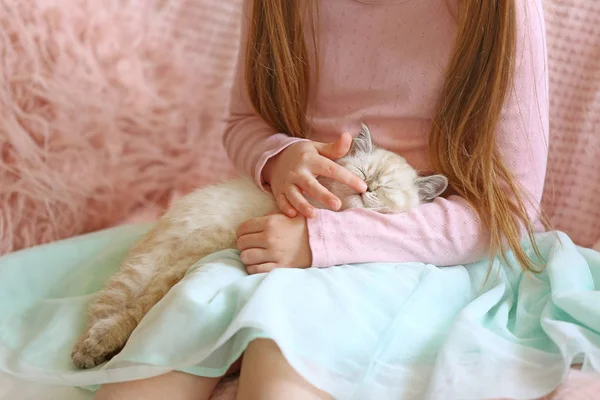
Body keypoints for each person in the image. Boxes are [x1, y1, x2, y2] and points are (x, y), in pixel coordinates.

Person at [95, 0, 548, 398]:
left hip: (420, 250)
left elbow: (509, 209)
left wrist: (322, 241)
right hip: (284, 226)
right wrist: (280, 157)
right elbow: (243, 121)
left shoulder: (502, 10)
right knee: (156, 363)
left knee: (277, 374)